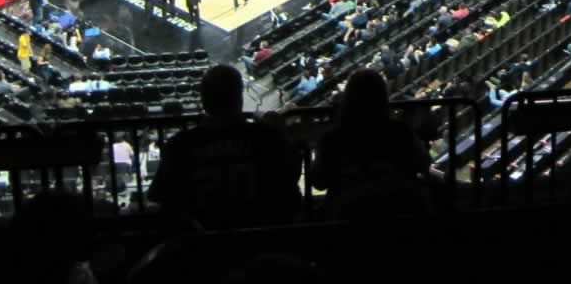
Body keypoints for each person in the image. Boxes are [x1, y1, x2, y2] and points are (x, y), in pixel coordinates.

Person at [148, 64, 301, 230]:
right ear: (239, 98)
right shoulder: (266, 137)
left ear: (204, 100)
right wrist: (279, 133)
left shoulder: (181, 143)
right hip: (259, 234)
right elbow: (290, 180)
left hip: (202, 239)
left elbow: (160, 196)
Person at [308, 68, 429, 218]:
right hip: (397, 210)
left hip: (345, 213)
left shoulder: (333, 138)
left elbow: (318, 182)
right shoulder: (400, 131)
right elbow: (423, 163)